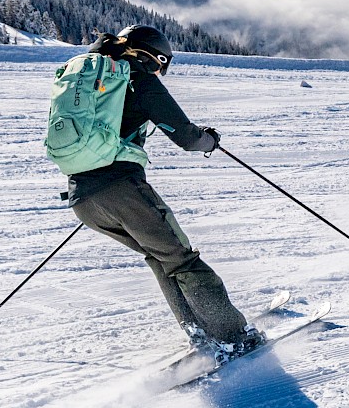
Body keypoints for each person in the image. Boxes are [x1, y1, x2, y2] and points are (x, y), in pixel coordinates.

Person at [64, 24, 260, 351]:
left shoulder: (89, 79)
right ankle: (234, 337)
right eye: (160, 64)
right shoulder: (137, 77)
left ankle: (200, 331)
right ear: (147, 56)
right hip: (121, 189)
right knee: (181, 260)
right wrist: (208, 139)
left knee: (160, 256)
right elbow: (185, 135)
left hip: (83, 197)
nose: (159, 71)